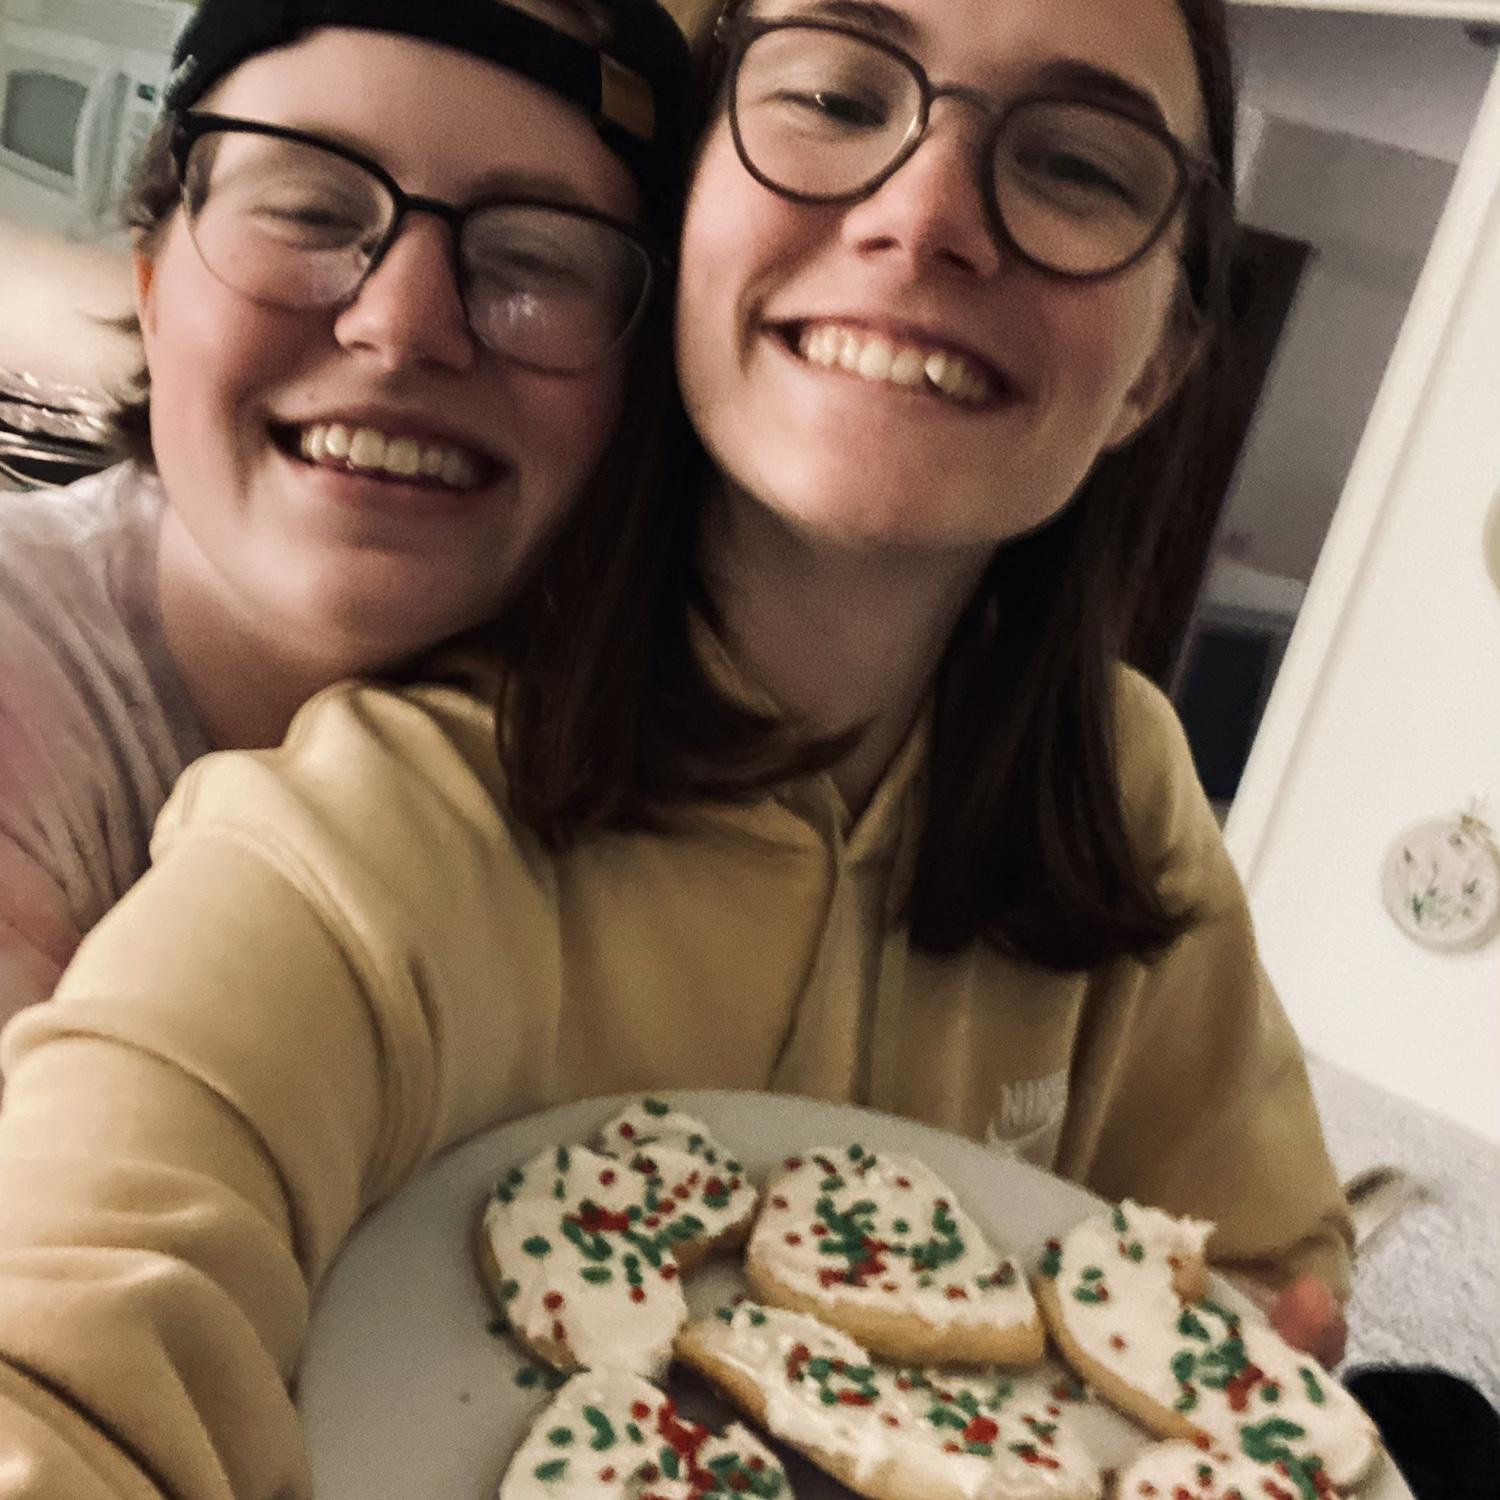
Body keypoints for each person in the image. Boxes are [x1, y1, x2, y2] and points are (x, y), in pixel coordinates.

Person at [0, 0, 1354, 1489]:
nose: (925, 215)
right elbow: (72, 1333)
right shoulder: (382, 828)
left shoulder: (1125, 782)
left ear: (1159, 365)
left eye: (1079, 167)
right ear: (689, 226)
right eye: (837, 98)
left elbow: (1260, 1270)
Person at [0, 0, 687, 1022]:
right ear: (152, 288)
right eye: (309, 213)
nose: (403, 326)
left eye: (537, 260)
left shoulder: (697, 738)